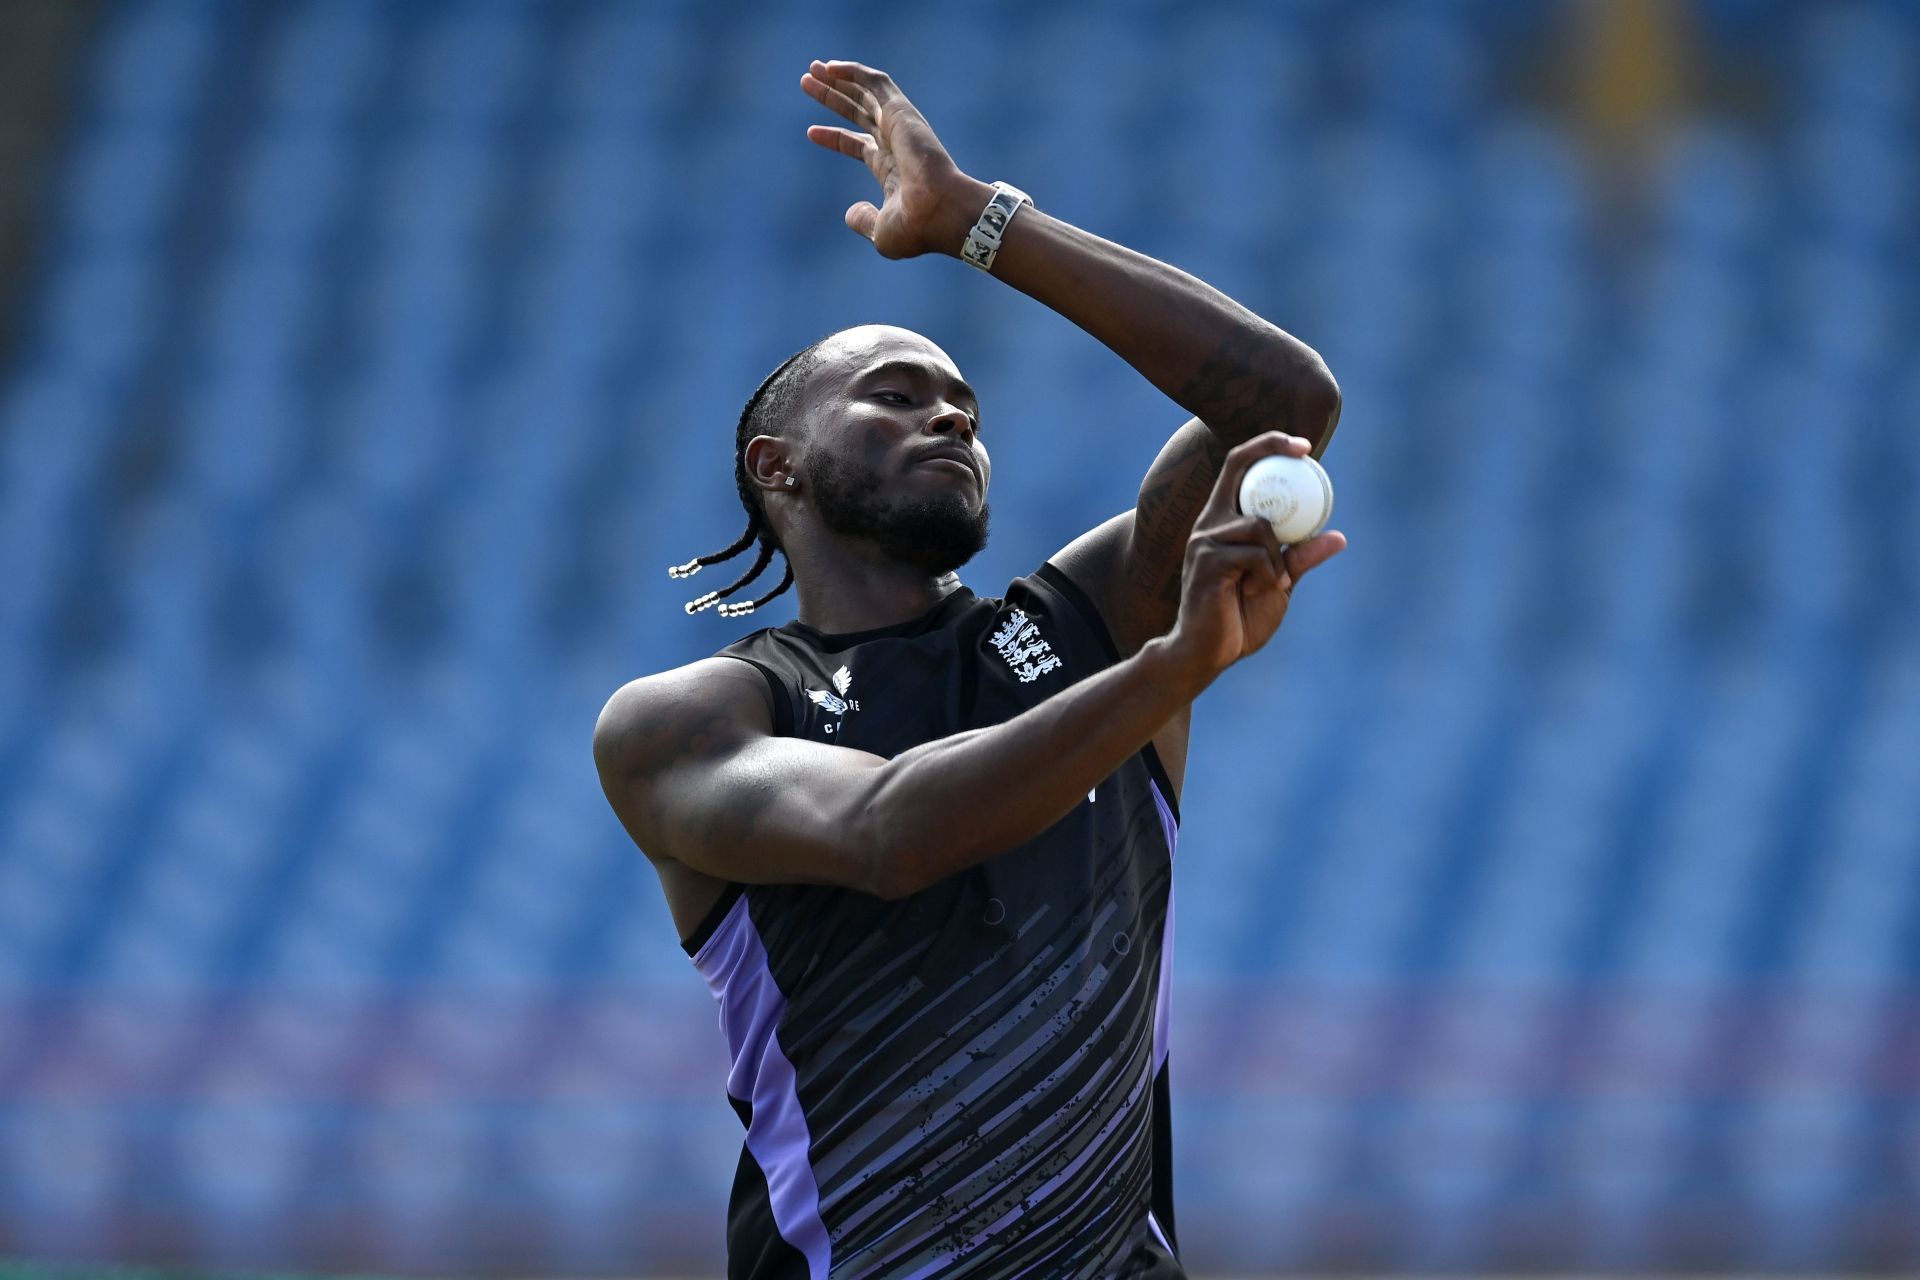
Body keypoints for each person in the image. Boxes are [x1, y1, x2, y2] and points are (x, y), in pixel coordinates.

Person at [595, 59, 1345, 1279]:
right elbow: (892, 831)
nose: (951, 420)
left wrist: (982, 225)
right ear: (776, 466)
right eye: (895, 397)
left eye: (966, 407)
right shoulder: (690, 720)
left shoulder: (1086, 623)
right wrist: (1167, 672)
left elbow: (1284, 398)